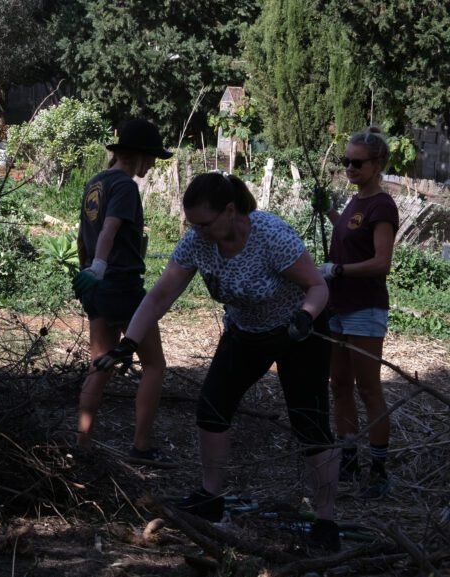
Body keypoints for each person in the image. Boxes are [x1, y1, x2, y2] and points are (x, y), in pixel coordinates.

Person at [97, 172, 342, 552]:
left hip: (298, 332)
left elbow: (317, 286)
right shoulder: (198, 242)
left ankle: (326, 519)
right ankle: (211, 497)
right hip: (245, 332)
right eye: (192, 223)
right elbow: (160, 296)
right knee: (212, 408)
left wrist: (305, 317)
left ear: (230, 211)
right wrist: (129, 341)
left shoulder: (270, 235)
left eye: (204, 222)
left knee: (309, 423)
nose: (197, 230)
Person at [72, 119, 171, 462]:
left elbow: (82, 233)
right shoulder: (125, 186)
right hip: (122, 283)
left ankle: (82, 442)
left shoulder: (95, 182)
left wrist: (88, 271)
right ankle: (141, 446)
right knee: (155, 365)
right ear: (139, 156)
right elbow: (110, 228)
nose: (154, 165)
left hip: (97, 286)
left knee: (100, 363)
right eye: (152, 158)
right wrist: (101, 265)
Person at [318, 128, 399, 498]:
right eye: (345, 161)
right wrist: (330, 211)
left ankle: (378, 469)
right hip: (337, 305)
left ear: (377, 164)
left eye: (357, 162)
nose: (349, 167)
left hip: (364, 308)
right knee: (338, 384)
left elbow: (381, 262)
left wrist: (338, 271)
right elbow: (351, 237)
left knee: (367, 387)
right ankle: (348, 457)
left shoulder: (382, 205)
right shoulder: (355, 201)